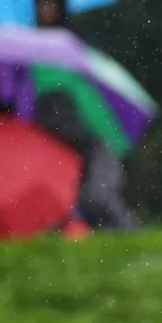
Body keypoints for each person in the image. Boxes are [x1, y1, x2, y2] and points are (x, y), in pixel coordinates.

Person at [31, 90, 139, 229]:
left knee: (98, 201)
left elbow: (96, 196)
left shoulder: (95, 148)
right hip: (73, 216)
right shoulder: (50, 150)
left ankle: (127, 231)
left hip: (98, 209)